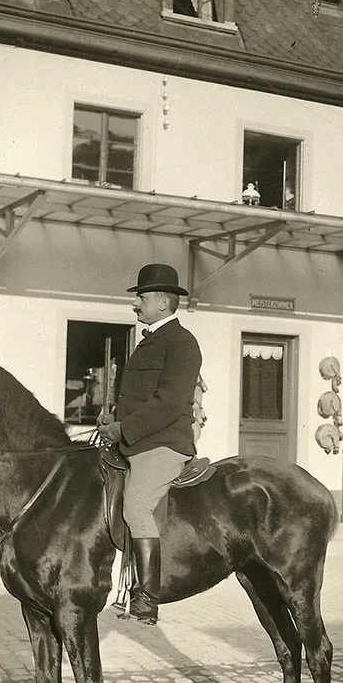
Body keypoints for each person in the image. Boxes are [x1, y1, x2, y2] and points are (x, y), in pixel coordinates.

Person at [96, 262, 202, 625]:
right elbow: (137, 395)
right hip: (137, 439)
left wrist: (123, 430)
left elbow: (169, 403)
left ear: (162, 302)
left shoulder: (182, 343)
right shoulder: (150, 341)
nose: (135, 304)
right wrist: (111, 419)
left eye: (140, 298)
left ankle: (146, 598)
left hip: (163, 444)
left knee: (137, 506)